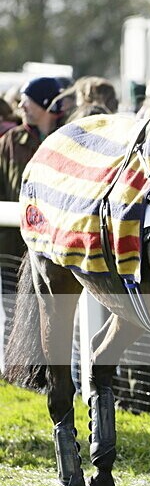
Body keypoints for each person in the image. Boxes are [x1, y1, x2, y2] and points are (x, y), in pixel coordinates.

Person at [0, 76, 64, 356]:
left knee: (53, 314)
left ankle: (51, 377)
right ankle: (14, 376)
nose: (21, 105)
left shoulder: (68, 138)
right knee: (14, 314)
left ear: (46, 103)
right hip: (13, 247)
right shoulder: (10, 141)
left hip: (58, 247)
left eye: (29, 99)